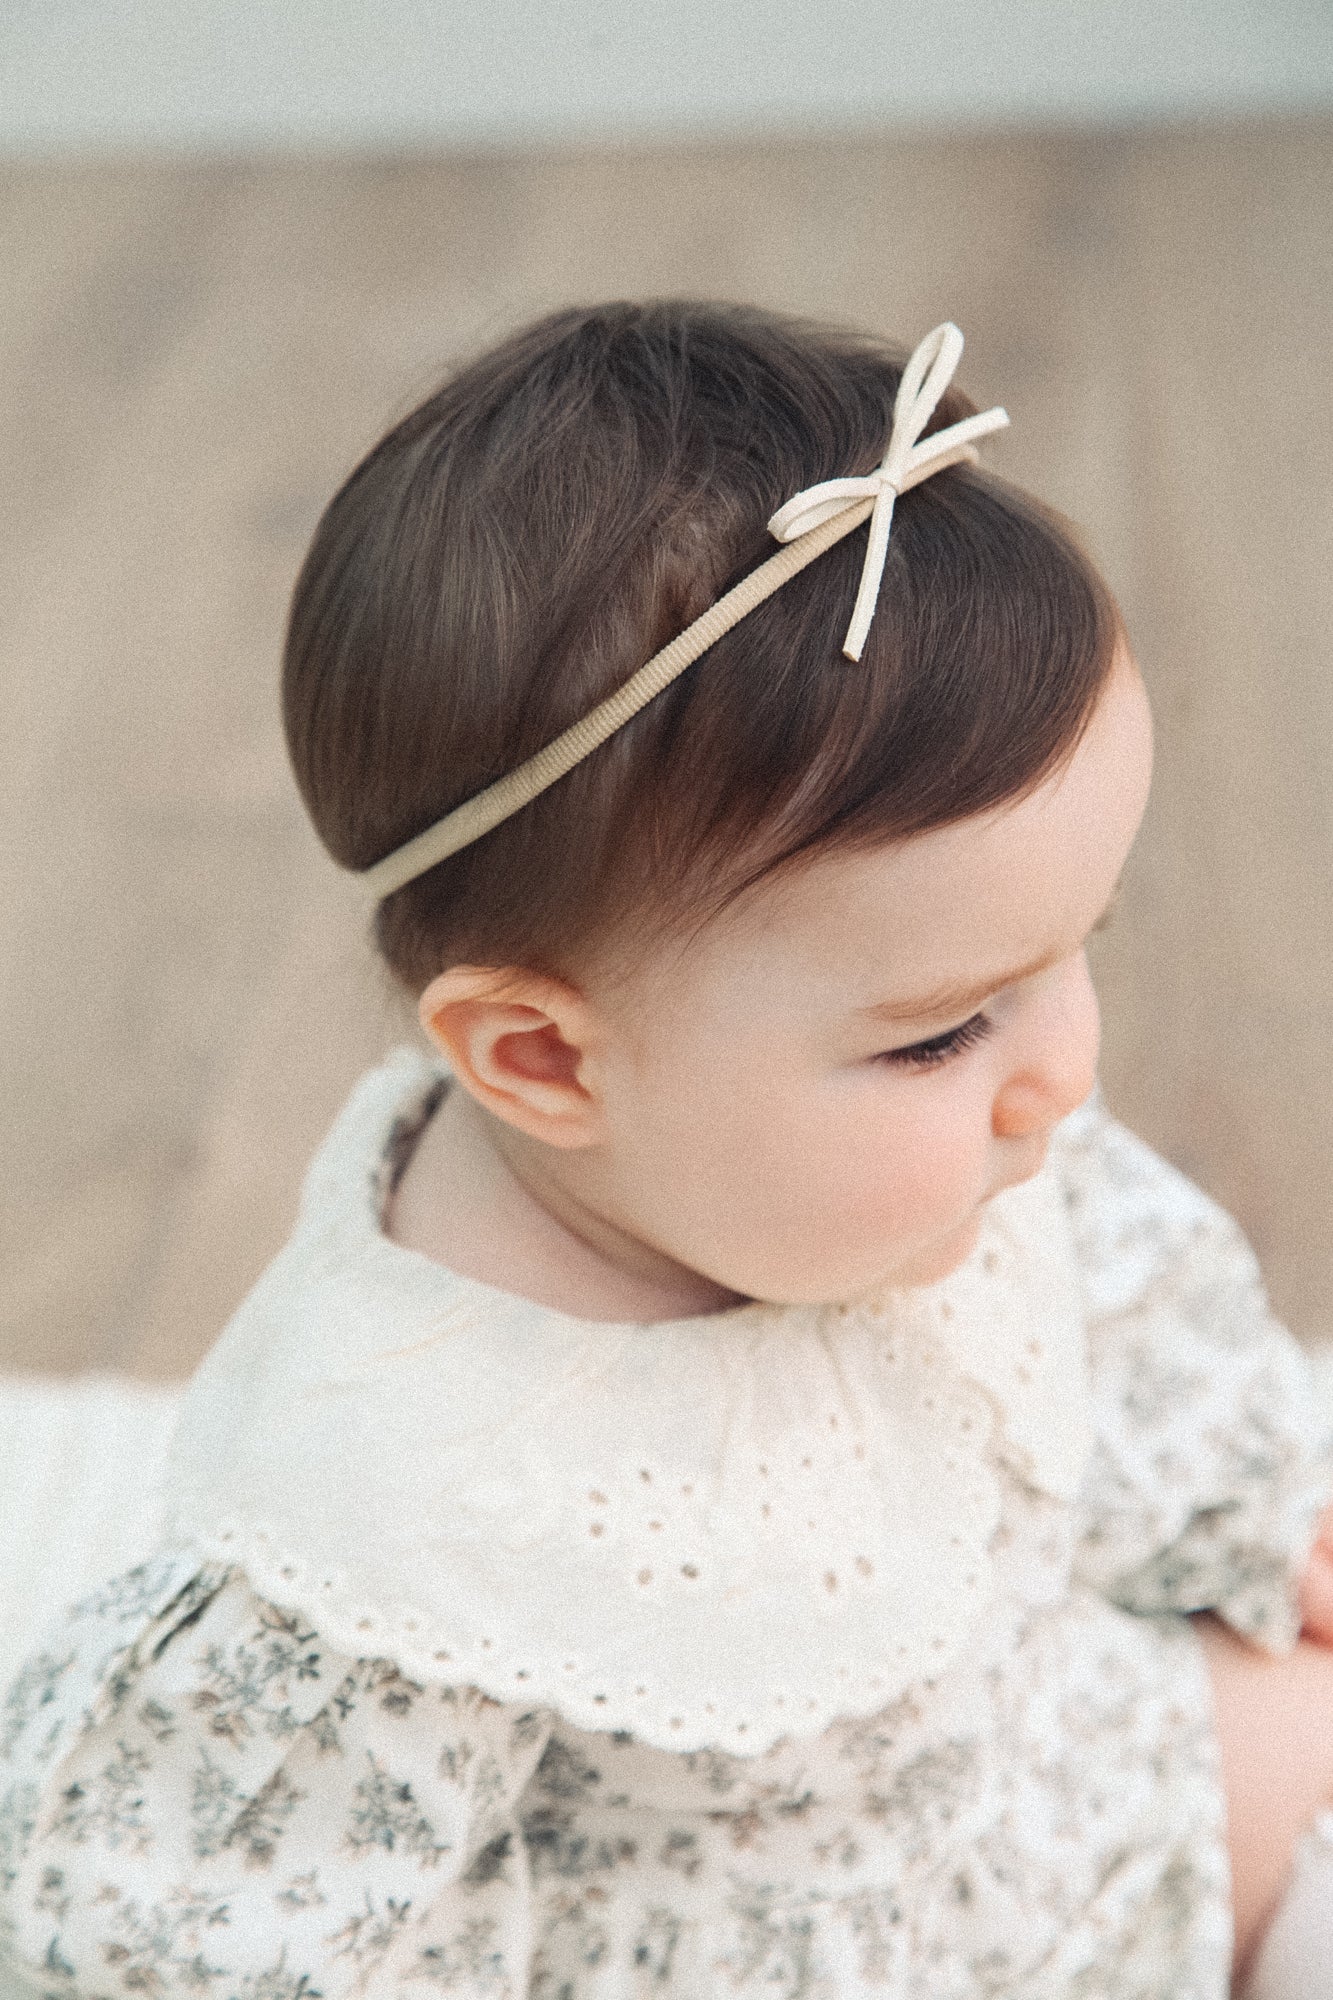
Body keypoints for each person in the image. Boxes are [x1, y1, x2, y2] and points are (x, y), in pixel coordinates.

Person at [2, 301, 1333, 2000]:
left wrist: (1247, 1518)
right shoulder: (424, 1510)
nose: (1058, 1069)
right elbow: (173, 1922)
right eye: (941, 1028)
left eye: (1076, 945)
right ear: (549, 1057)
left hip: (1064, 1785)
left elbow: (1120, 1309)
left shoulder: (915, 1154)